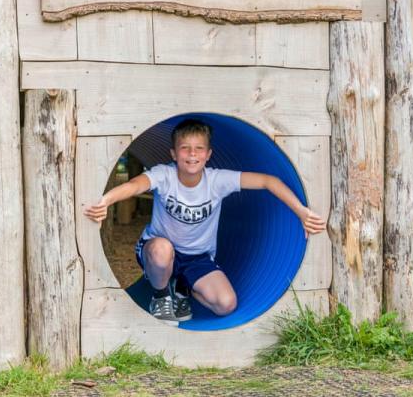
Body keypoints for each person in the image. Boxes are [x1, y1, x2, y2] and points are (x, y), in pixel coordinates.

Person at [83, 119, 325, 324]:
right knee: (162, 250)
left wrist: (301, 212)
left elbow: (267, 181)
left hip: (197, 257)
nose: (192, 154)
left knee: (226, 304)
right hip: (158, 250)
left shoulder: (217, 181)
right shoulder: (163, 175)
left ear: (208, 155)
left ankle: (183, 287)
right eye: (185, 148)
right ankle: (160, 295)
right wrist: (106, 200)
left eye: (199, 149)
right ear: (173, 154)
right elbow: (135, 185)